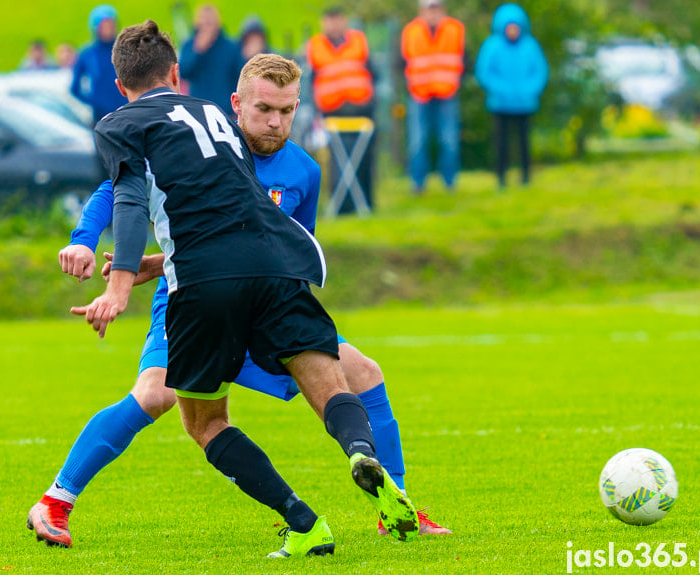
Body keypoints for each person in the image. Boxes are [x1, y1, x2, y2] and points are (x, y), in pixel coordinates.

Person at [26, 53, 450, 550]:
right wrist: (88, 239)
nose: (275, 122)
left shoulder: (304, 172)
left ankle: (395, 504)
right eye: (264, 109)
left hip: (265, 297)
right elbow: (119, 188)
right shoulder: (203, 141)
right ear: (236, 105)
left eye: (287, 111)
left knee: (364, 372)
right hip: (190, 297)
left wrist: (151, 262)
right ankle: (58, 499)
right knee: (155, 395)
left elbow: (281, 246)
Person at [306, 6, 376, 214]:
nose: (334, 24)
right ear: (323, 23)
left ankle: (364, 203)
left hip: (360, 109)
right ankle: (342, 206)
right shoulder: (315, 46)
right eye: (330, 20)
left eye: (337, 19)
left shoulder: (359, 41)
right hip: (332, 111)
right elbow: (311, 80)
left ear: (344, 21)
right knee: (337, 159)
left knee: (363, 158)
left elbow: (372, 73)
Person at [474, 3, 549, 188]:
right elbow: (484, 72)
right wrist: (502, 90)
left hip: (525, 103)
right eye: (510, 27)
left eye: (516, 27)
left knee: (524, 142)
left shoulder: (530, 46)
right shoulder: (492, 46)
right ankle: (501, 177)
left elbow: (540, 72)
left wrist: (528, 90)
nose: (513, 31)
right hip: (500, 103)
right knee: (501, 143)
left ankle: (525, 177)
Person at [400, 0, 465, 194]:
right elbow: (402, 61)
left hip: (447, 92)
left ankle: (450, 182)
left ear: (443, 10)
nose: (433, 13)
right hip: (419, 94)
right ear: (421, 11)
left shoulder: (455, 29)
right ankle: (417, 183)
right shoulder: (410, 31)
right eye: (430, 9)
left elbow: (463, 58)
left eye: (436, 9)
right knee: (418, 141)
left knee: (449, 140)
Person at [178, 4, 242, 120]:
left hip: (225, 111)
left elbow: (238, 78)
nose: (207, 28)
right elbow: (184, 72)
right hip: (198, 110)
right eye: (204, 23)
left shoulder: (230, 47)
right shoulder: (189, 45)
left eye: (210, 22)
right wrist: (198, 51)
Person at [70, 4, 128, 124]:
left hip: (127, 111)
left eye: (111, 25)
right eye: (104, 26)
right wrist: (95, 102)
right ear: (96, 28)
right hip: (102, 116)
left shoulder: (125, 49)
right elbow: (74, 88)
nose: (108, 29)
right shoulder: (88, 54)